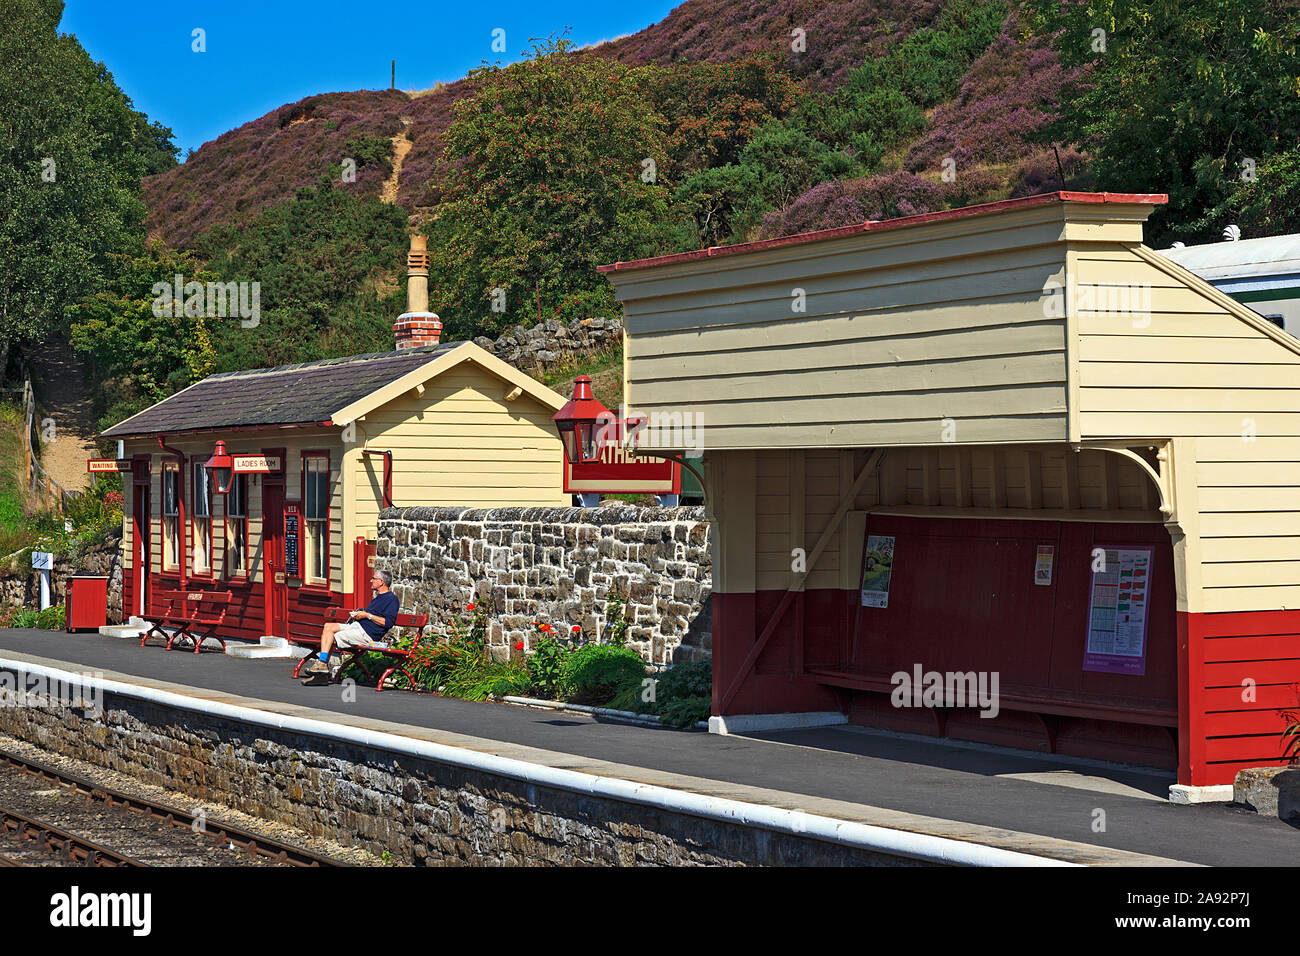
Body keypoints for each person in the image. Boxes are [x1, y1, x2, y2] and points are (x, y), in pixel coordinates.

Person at [300, 570, 400, 685]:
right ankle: (322, 666)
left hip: (366, 635)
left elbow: (388, 623)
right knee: (328, 627)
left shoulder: (391, 599)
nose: (370, 580)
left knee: (332, 637)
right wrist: (359, 615)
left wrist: (367, 615)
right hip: (357, 627)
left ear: (381, 582)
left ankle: (322, 671)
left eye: (373, 578)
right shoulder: (378, 597)